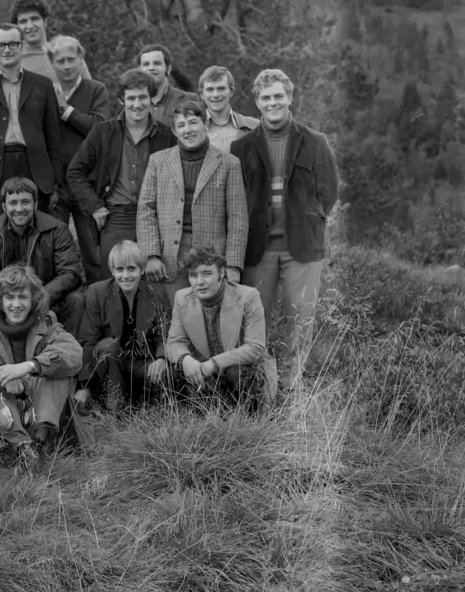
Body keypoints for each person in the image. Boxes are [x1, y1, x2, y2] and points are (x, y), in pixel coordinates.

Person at [231, 68, 339, 386]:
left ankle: (293, 390)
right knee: (254, 321)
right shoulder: (242, 147)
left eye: (279, 95)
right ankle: (261, 387)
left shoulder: (315, 142)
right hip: (257, 248)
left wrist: (308, 218)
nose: (273, 102)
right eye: (266, 97)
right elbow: (236, 197)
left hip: (302, 247)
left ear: (289, 98)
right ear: (257, 103)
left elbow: (329, 192)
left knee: (300, 320)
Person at [0, 264, 85, 459]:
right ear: (0, 299)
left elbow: (74, 353)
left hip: (38, 410)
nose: (16, 305)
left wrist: (28, 366)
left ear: (33, 299)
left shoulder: (47, 324)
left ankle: (40, 444)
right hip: (1, 410)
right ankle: (17, 447)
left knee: (55, 372)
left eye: (22, 297)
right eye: (10, 297)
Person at [136, 94, 248, 304]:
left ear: (205, 124)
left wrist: (233, 265)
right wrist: (151, 255)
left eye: (193, 122)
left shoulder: (229, 163)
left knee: (210, 318)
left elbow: (238, 218)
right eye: (181, 125)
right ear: (174, 131)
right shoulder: (158, 161)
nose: (188, 130)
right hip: (170, 255)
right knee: (175, 316)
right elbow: (146, 210)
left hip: (213, 257)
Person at [67, 68, 175, 273]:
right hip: (116, 216)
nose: (137, 104)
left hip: (155, 217)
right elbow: (75, 171)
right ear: (122, 100)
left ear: (152, 99)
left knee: (152, 281)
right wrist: (95, 206)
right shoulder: (103, 131)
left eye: (143, 97)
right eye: (131, 98)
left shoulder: (166, 135)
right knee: (114, 278)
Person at [0, 22, 63, 224]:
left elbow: (54, 138)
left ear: (22, 46)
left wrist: (55, 184)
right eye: (1, 45)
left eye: (13, 44)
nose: (7, 50)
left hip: (34, 168)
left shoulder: (43, 85)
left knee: (36, 235)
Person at [166, 246, 276, 409]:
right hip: (204, 375)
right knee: (174, 371)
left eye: (207, 274)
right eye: (193, 276)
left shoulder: (248, 296)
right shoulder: (182, 298)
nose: (200, 282)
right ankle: (196, 422)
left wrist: (214, 364)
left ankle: (251, 423)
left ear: (222, 273)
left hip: (239, 373)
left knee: (237, 374)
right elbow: (174, 342)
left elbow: (256, 347)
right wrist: (185, 359)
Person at [73, 241, 172, 410]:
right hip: (111, 361)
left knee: (169, 373)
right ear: (112, 271)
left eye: (132, 269)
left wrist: (162, 358)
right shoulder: (97, 292)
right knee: (107, 346)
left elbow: (165, 334)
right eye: (120, 269)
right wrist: (85, 386)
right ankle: (115, 408)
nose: (125, 275)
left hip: (142, 362)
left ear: (142, 269)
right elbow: (88, 340)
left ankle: (151, 410)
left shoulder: (157, 292)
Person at [0, 176, 83, 326]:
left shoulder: (57, 229)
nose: (19, 209)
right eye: (13, 203)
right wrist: (11, 298)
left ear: (36, 203)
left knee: (76, 300)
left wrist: (37, 297)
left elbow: (70, 272)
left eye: (25, 202)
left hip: (45, 296)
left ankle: (67, 347)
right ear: (4, 206)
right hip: (7, 298)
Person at [47, 35, 110, 283]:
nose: (66, 66)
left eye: (71, 59)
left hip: (87, 185)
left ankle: (100, 308)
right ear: (52, 64)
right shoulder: (45, 91)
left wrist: (66, 110)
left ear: (81, 59)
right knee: (54, 252)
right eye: (60, 61)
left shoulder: (96, 90)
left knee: (93, 252)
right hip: (55, 186)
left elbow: (100, 128)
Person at [199, 64, 260, 153]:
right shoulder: (193, 129)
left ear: (231, 91)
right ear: (202, 95)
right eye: (210, 89)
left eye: (221, 88)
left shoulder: (254, 127)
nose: (215, 95)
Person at [9, 0, 56, 80]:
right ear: (16, 27)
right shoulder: (11, 62)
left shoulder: (65, 55)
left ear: (45, 21)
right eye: (23, 21)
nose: (29, 26)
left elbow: (88, 91)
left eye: (34, 19)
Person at [138, 43, 186, 124]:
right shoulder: (128, 105)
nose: (151, 68)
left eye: (157, 63)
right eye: (146, 64)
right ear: (139, 70)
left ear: (168, 69)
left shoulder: (190, 100)